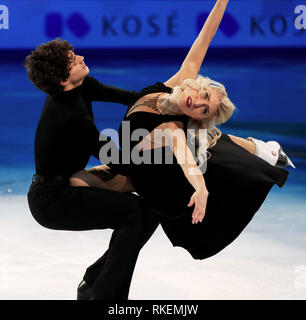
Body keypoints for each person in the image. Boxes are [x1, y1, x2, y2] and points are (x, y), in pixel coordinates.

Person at [70, 0, 293, 269]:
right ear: (199, 85)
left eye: (204, 109)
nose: (199, 103)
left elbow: (187, 162)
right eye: (205, 95)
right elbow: (206, 35)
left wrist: (201, 189)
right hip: (127, 159)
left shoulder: (174, 127)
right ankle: (258, 147)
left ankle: (259, 150)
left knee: (75, 183)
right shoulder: (176, 82)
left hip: (141, 176)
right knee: (69, 182)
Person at [24, 39, 159, 300]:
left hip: (67, 186)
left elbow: (130, 98)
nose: (81, 58)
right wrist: (162, 156)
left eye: (75, 54)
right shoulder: (69, 116)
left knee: (150, 209)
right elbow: (118, 160)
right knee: (131, 213)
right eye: (73, 59)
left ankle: (94, 281)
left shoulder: (81, 87)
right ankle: (105, 296)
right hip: (52, 201)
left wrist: (166, 102)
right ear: (61, 79)